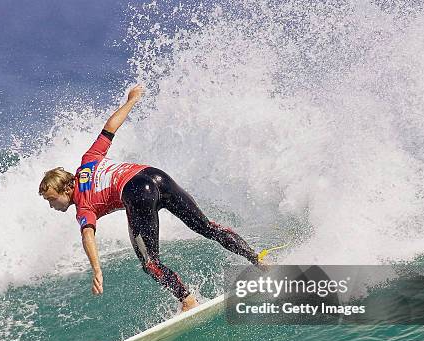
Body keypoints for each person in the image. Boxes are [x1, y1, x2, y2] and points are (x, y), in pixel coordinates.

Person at [39, 85, 265, 312]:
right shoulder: (88, 159)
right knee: (207, 227)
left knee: (150, 264)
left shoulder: (84, 205)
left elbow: (88, 234)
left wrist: (96, 269)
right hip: (156, 176)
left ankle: (187, 300)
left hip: (137, 192)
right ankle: (258, 260)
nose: (52, 205)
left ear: (67, 189)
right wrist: (132, 100)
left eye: (52, 199)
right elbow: (109, 129)